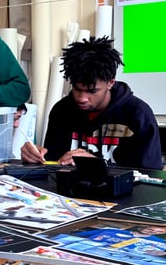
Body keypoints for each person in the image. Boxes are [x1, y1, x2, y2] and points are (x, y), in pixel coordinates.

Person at [21, 36, 162, 169]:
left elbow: (149, 177)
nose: (82, 98)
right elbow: (53, 164)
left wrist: (97, 166)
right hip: (70, 192)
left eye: (92, 91)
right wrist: (34, 159)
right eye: (77, 89)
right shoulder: (62, 111)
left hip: (121, 194)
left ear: (110, 83)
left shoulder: (137, 115)